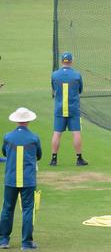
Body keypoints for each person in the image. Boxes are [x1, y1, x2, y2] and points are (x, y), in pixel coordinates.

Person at [0, 107, 42, 250]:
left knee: (7, 209)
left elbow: (5, 152)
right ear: (28, 120)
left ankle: (3, 240)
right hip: (28, 180)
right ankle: (26, 243)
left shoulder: (7, 137)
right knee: (28, 210)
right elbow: (39, 155)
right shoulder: (34, 138)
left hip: (11, 179)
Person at [50, 52, 88, 166]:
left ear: (62, 61)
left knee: (57, 133)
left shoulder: (55, 74)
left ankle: (54, 159)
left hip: (59, 108)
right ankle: (79, 158)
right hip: (73, 109)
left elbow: (54, 88)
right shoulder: (77, 75)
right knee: (76, 133)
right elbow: (80, 90)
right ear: (71, 61)